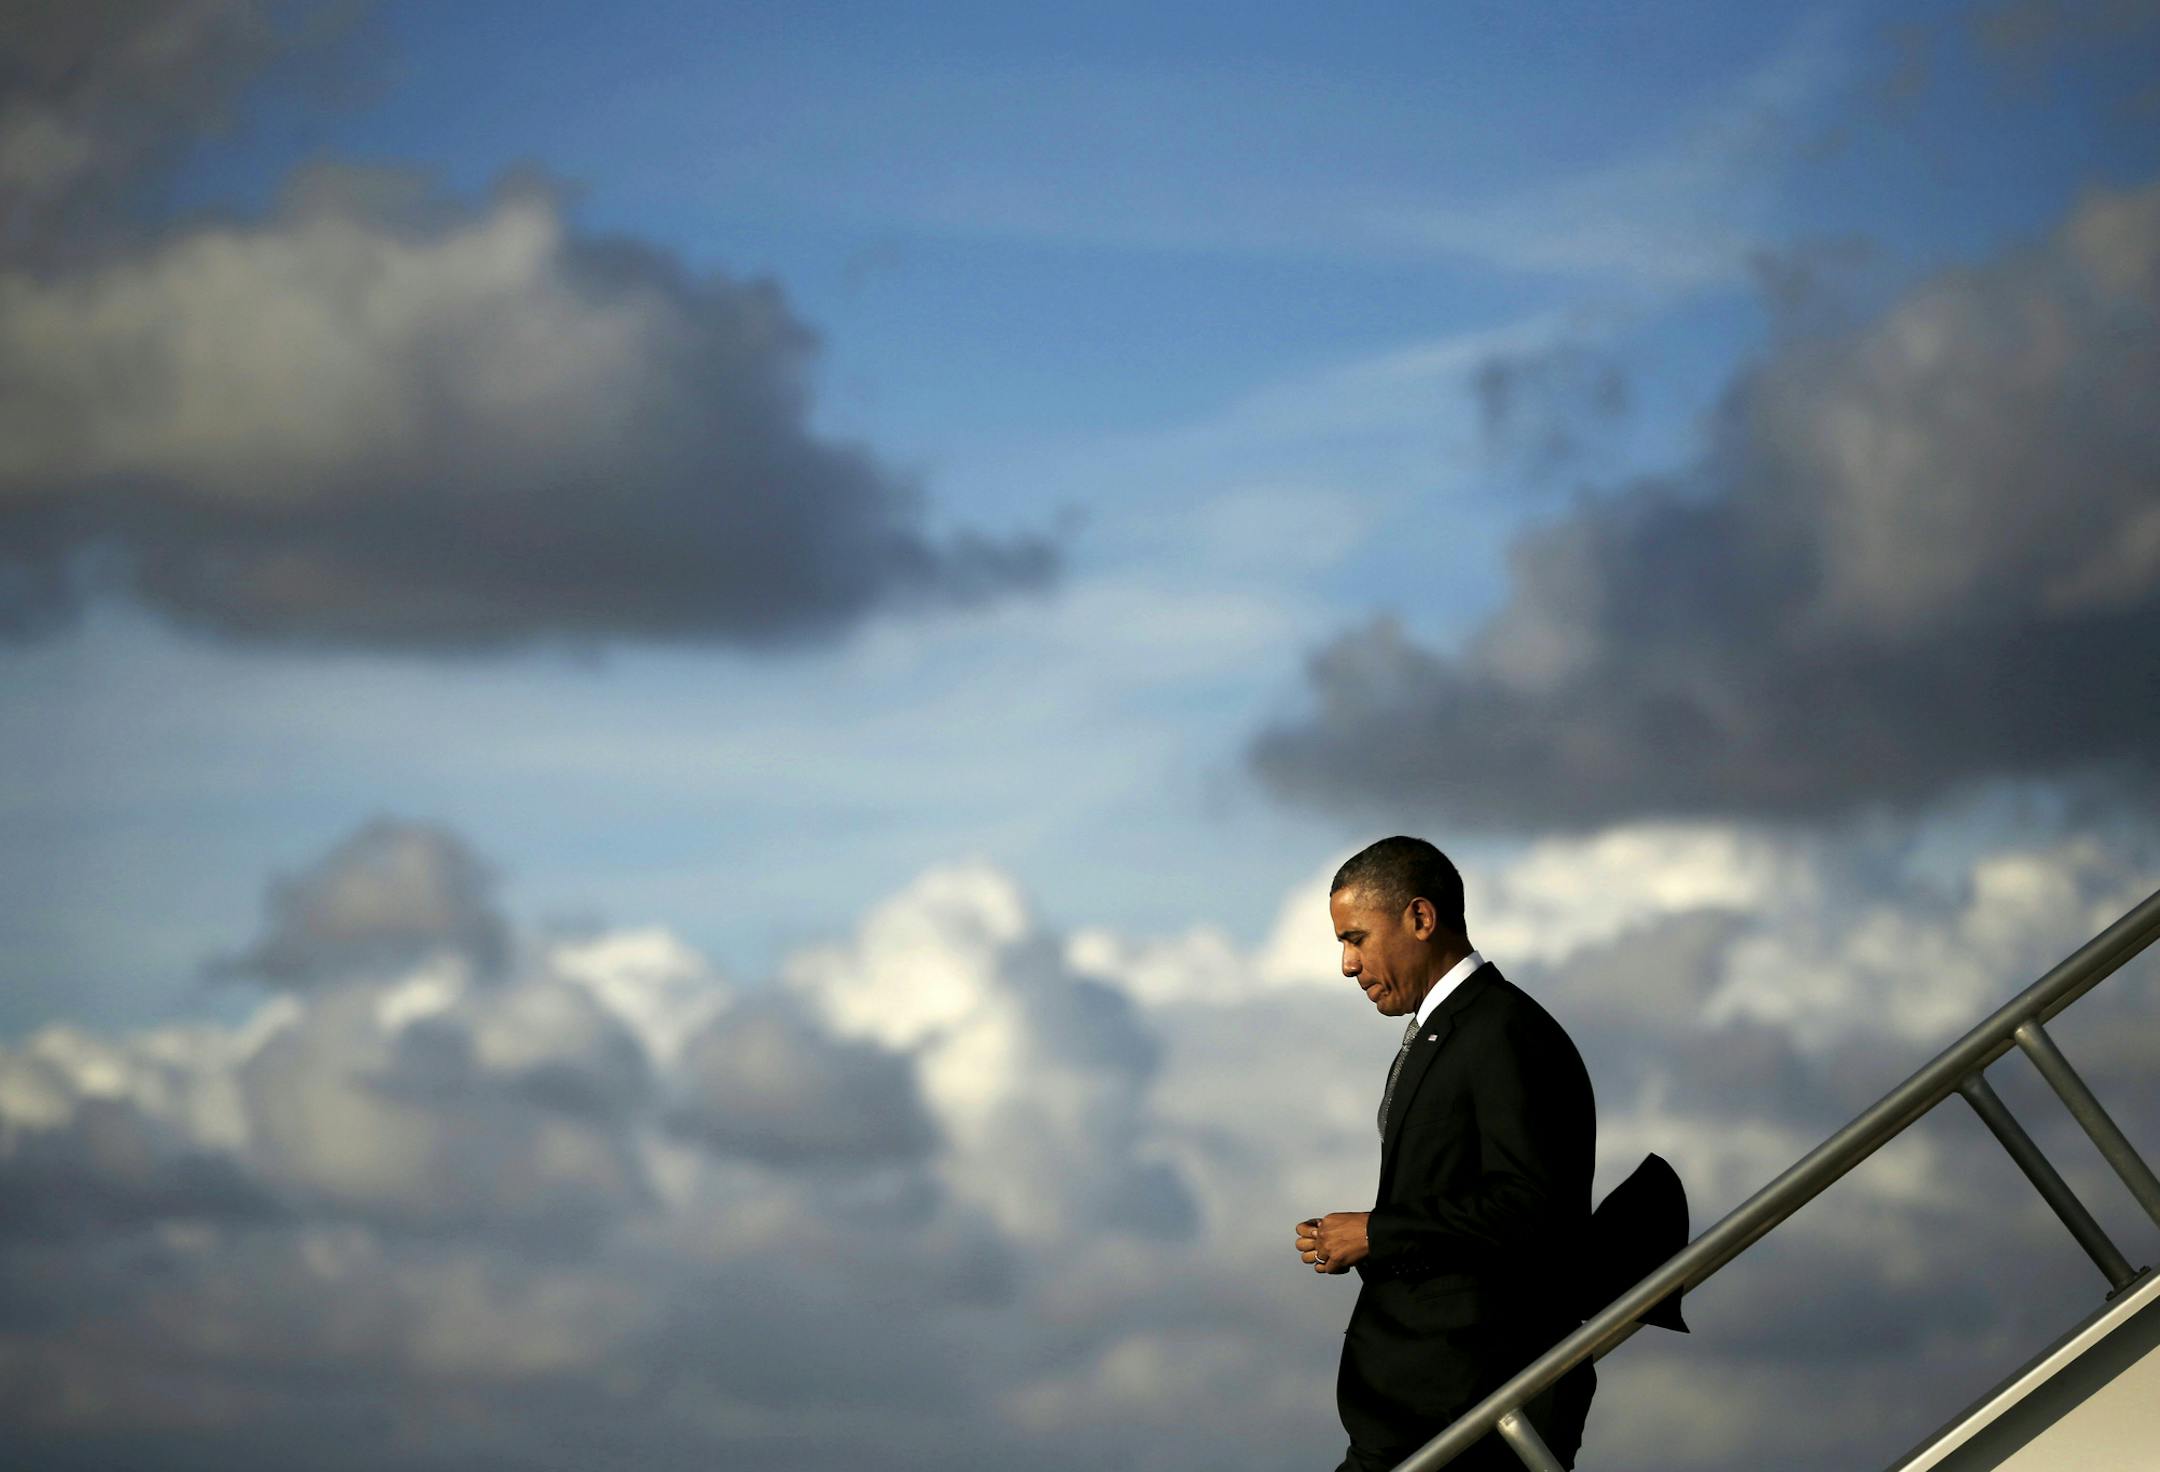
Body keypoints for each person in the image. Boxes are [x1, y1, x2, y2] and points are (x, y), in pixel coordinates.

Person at [1294, 836, 1597, 1472]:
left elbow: (1533, 1206)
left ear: (1421, 918)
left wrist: (1377, 1233)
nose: (1347, 965)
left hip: (1473, 1402)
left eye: (1356, 938)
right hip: (1421, 1405)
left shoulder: (1504, 1030)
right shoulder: (1454, 1030)